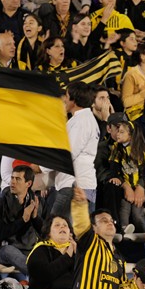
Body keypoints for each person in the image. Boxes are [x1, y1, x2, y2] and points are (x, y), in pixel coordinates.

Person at [66, 187, 142, 289]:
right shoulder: (90, 242)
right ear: (93, 228)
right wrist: (80, 204)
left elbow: (122, 287)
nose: (109, 222)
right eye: (103, 220)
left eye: (111, 220)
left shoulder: (119, 258)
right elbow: (81, 224)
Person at [42, 81, 100, 218]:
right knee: (75, 229)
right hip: (78, 184)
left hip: (75, 186)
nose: (65, 100)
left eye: (67, 96)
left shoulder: (81, 122)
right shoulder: (82, 119)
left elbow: (67, 154)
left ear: (74, 100)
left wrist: (41, 167)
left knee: (56, 225)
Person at [17, 215, 75, 289]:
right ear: (48, 233)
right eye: (57, 225)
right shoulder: (41, 250)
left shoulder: (79, 253)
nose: (62, 227)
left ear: (70, 234)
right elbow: (43, 275)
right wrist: (67, 256)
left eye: (65, 225)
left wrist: (78, 256)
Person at [108, 121, 145, 232]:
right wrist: (117, 179)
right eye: (118, 131)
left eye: (122, 132)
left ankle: (142, 232)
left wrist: (143, 184)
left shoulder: (140, 149)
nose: (118, 134)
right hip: (125, 188)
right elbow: (114, 167)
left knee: (137, 212)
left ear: (131, 135)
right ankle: (124, 230)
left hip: (138, 187)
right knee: (124, 209)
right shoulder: (116, 148)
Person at [0, 165, 41, 275]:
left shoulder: (37, 201)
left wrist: (35, 217)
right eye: (12, 178)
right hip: (6, 250)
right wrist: (23, 220)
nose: (13, 182)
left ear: (28, 183)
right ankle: (38, 275)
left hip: (29, 250)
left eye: (18, 179)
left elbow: (44, 232)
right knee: (10, 251)